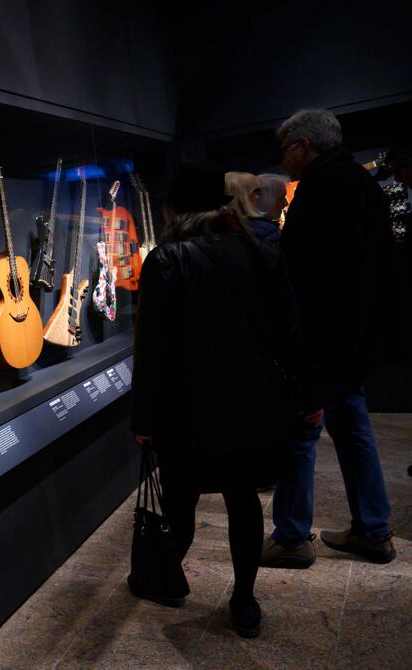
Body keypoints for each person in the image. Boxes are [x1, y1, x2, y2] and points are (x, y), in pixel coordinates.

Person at [132, 160, 299, 638]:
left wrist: (143, 418)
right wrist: (301, 393)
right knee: (243, 502)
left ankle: (166, 577)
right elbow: (288, 331)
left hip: (186, 406)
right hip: (251, 401)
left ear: (175, 210)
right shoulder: (261, 252)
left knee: (180, 500)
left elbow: (152, 349)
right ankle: (244, 600)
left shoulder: (166, 260)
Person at [261, 108, 400, 569]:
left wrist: (302, 359)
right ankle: (373, 530)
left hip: (323, 343)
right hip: (356, 341)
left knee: (300, 435)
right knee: (354, 429)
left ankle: (292, 537)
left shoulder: (320, 189)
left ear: (304, 146)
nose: (284, 160)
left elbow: (309, 283)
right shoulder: (363, 184)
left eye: (286, 150)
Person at [250, 173, 290, 242]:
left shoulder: (246, 226)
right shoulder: (268, 233)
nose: (286, 203)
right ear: (265, 201)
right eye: (281, 198)